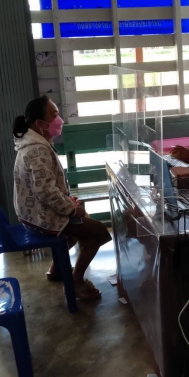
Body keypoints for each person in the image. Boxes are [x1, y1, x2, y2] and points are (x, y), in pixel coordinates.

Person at [13, 96, 111, 300]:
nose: (60, 120)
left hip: (31, 213)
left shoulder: (34, 143)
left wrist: (67, 202)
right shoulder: (37, 150)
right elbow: (45, 191)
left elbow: (46, 187)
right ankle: (75, 282)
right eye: (54, 115)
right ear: (40, 124)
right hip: (39, 218)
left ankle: (57, 269)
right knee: (97, 232)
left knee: (81, 223)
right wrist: (71, 209)